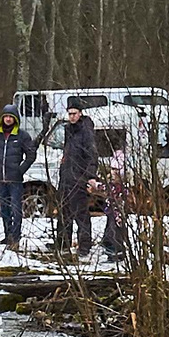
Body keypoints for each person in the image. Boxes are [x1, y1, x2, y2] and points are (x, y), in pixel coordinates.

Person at [0, 110, 34, 248]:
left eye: (11, 117)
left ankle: (15, 238)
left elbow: (31, 155)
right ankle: (8, 235)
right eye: (6, 117)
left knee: (16, 209)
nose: (8, 119)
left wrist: (20, 170)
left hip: (15, 180)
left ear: (15, 119)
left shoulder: (22, 136)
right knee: (4, 209)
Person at [55, 102, 98, 255]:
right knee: (63, 213)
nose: (72, 116)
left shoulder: (85, 131)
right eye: (70, 113)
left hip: (78, 177)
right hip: (66, 176)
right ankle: (63, 243)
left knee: (81, 214)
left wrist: (90, 176)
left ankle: (84, 246)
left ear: (80, 113)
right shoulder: (69, 130)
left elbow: (92, 154)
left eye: (74, 113)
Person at [101, 140, 132, 260]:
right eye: (113, 170)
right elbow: (104, 188)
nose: (114, 173)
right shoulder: (112, 185)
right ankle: (111, 250)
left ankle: (116, 253)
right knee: (109, 232)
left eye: (117, 171)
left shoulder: (121, 188)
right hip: (111, 212)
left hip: (117, 215)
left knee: (115, 233)